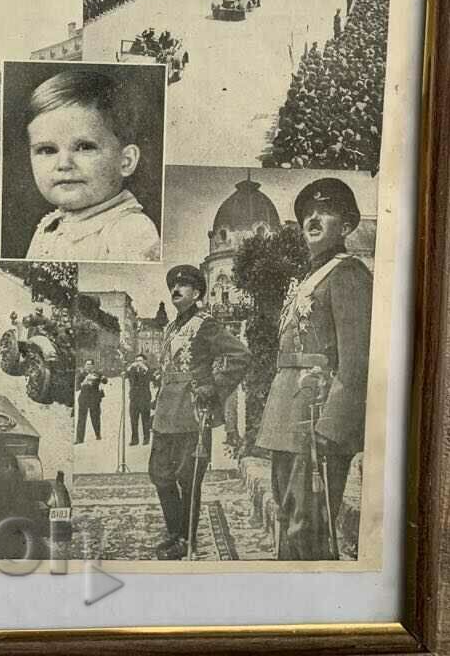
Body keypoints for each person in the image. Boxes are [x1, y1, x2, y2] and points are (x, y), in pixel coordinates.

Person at [256, 177, 373, 561]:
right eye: (307, 212)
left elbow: (356, 362)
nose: (313, 218)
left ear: (347, 224)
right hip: (287, 415)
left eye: (325, 210)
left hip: (316, 419)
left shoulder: (349, 274)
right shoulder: (305, 281)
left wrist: (331, 430)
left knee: (307, 526)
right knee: (289, 514)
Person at [148, 265, 251, 560]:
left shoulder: (205, 324)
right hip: (166, 413)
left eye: (184, 286)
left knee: (188, 478)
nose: (176, 290)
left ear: (196, 293)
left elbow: (240, 355)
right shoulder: (171, 328)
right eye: (173, 286)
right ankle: (174, 532)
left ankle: (185, 539)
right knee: (160, 475)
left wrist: (214, 388)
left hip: (193, 413)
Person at [24, 69, 161, 262]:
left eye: (84, 147)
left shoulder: (131, 231)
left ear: (126, 161)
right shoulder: (49, 226)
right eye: (47, 150)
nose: (64, 164)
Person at [75, 359, 108, 443]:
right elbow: (77, 387)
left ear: (93, 366)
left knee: (95, 417)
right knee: (81, 419)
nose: (88, 366)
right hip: (84, 398)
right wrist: (84, 382)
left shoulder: (97, 373)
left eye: (90, 364)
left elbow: (105, 381)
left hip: (94, 398)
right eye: (87, 364)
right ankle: (79, 439)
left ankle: (98, 434)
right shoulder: (81, 375)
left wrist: (102, 377)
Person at [125, 353, 153, 445]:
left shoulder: (147, 369)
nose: (138, 363)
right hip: (134, 398)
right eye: (136, 361)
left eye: (140, 361)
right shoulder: (132, 369)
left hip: (144, 398)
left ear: (144, 361)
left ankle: (146, 438)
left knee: (145, 419)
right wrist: (129, 368)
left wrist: (144, 367)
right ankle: (134, 439)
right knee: (133, 419)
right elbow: (125, 375)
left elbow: (151, 377)